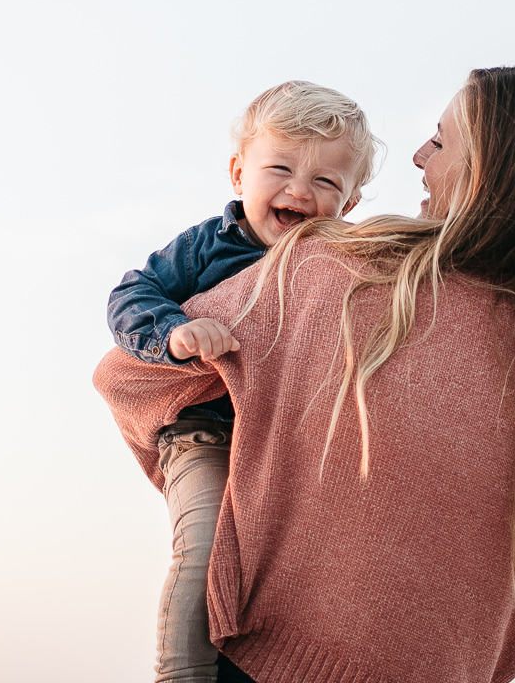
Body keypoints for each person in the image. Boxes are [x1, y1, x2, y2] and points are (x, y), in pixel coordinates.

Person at [95, 66, 515, 683]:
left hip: (271, 663)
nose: (418, 156)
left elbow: (131, 377)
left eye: (440, 142)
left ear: (493, 171)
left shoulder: (340, 276)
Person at [106, 81, 382, 683]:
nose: (299, 192)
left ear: (352, 201)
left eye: (326, 182)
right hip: (205, 436)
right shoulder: (212, 242)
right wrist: (176, 331)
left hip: (285, 451)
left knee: (287, 580)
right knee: (204, 552)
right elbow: (131, 292)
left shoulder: (345, 263)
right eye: (279, 169)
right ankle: (183, 674)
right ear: (238, 173)